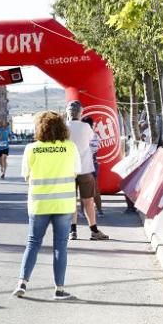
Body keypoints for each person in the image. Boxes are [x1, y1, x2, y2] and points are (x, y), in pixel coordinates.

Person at [13, 111, 83, 300]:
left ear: (39, 128)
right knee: (60, 246)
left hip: (39, 204)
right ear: (62, 127)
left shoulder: (31, 149)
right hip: (63, 204)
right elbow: (77, 171)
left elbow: (26, 175)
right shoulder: (70, 147)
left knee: (33, 243)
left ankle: (22, 283)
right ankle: (59, 289)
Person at [66, 100, 109, 241]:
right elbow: (93, 144)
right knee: (88, 201)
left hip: (68, 170)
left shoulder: (63, 127)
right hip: (84, 168)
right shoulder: (86, 127)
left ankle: (73, 231)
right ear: (81, 113)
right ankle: (94, 230)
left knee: (71, 201)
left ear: (68, 113)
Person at [81, 116, 104, 217]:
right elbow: (94, 149)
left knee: (81, 187)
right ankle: (99, 211)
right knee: (95, 188)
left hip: (84, 163)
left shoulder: (82, 136)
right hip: (93, 163)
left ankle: (82, 211)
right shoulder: (95, 135)